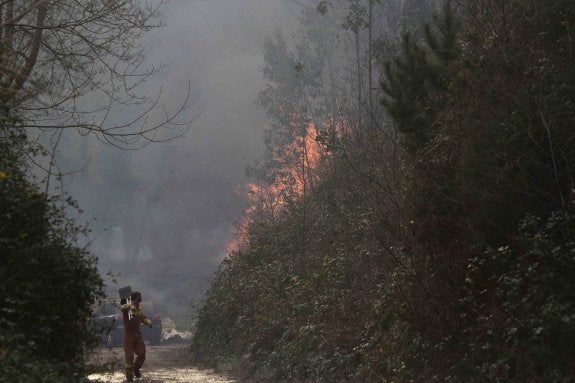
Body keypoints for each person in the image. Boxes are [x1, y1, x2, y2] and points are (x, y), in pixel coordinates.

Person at [120, 291, 153, 382]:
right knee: (129, 357)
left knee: (142, 354)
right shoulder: (128, 307)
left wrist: (148, 322)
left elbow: (142, 317)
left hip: (137, 335)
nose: (141, 298)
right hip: (128, 336)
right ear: (136, 297)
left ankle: (136, 370)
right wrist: (128, 306)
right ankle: (129, 377)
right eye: (140, 296)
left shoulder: (139, 308)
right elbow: (121, 307)